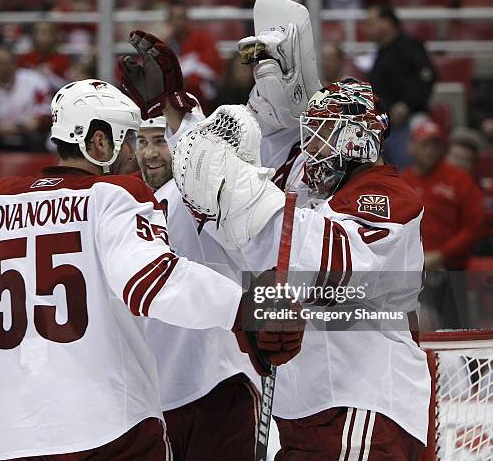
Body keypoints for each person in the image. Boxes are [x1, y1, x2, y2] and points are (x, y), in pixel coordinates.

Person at [0, 79, 296, 461]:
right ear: (99, 142)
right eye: (128, 141)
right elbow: (152, 283)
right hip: (111, 431)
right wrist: (244, 308)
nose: (134, 156)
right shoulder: (114, 195)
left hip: (15, 439)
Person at [120, 29, 430, 461]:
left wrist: (236, 187)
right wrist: (177, 116)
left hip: (362, 404)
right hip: (309, 412)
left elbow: (326, 261)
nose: (311, 150)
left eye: (323, 137)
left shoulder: (385, 195)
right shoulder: (319, 195)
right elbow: (230, 197)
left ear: (357, 139)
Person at [135, 117, 261, 461]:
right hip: (158, 396)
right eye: (142, 142)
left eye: (160, 141)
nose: (149, 154)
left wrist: (182, 112)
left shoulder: (200, 195)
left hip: (218, 386)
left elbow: (206, 152)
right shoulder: (133, 205)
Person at [402, 119, 484, 329]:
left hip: (451, 269)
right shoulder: (403, 182)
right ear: (412, 146)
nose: (430, 150)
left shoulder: (458, 180)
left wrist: (441, 255)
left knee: (454, 332)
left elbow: (474, 227)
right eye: (425, 144)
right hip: (412, 269)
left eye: (435, 145)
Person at [364, 1, 436, 169]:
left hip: (409, 123)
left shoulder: (409, 45)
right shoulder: (381, 53)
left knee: (405, 169)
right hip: (386, 126)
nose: (366, 29)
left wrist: (406, 105)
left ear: (387, 22)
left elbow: (426, 77)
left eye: (370, 23)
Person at [0, 46, 52, 188]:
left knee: (39, 139)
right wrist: (13, 128)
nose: (4, 68)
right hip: (0, 135)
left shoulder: (35, 81)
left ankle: (40, 185)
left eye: (7, 63)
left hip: (31, 132)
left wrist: (37, 122)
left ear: (15, 63)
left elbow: (47, 112)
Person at [165, 0, 222, 114]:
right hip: (176, 107)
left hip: (204, 105)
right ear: (169, 21)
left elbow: (212, 71)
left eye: (181, 17)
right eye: (174, 18)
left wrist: (184, 81)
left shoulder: (203, 39)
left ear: (187, 19)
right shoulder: (165, 46)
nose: (178, 22)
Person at [18, 21, 73, 92]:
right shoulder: (25, 58)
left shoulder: (62, 59)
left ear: (54, 35)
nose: (41, 37)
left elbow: (67, 87)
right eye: (38, 32)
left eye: (45, 33)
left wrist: (49, 76)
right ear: (33, 36)